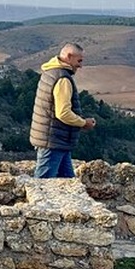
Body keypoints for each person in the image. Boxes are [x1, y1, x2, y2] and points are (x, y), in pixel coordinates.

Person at [29, 42, 96, 178]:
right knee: (43, 184)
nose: (80, 65)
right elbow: (63, 113)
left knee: (67, 183)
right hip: (54, 140)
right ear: (69, 57)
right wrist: (83, 123)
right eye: (79, 60)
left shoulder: (50, 72)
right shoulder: (62, 79)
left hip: (57, 140)